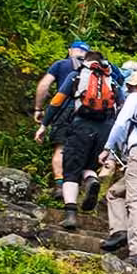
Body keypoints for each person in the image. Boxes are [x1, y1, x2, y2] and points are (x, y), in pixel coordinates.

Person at [41, 49, 122, 230]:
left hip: (81, 125)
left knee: (71, 171)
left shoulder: (76, 76)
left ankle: (70, 214)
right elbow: (121, 109)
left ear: (85, 61)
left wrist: (44, 124)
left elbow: (57, 101)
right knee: (91, 166)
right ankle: (92, 180)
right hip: (106, 128)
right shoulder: (112, 80)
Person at [98, 68, 137, 267]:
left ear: (135, 85)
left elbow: (120, 124)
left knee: (134, 201)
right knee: (115, 193)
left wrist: (107, 148)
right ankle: (119, 231)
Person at [34, 40, 89, 187]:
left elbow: (44, 85)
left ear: (71, 50)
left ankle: (59, 184)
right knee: (83, 149)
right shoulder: (96, 70)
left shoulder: (61, 64)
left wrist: (38, 109)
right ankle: (78, 186)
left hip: (66, 111)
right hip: (90, 115)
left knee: (61, 148)